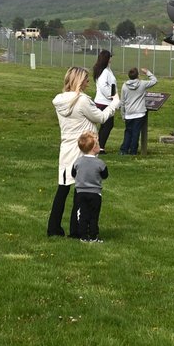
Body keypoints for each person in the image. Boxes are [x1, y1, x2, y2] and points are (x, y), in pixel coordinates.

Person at [48, 66, 119, 237]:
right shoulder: (82, 101)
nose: (88, 83)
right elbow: (100, 117)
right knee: (82, 190)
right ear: (80, 81)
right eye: (86, 80)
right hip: (82, 148)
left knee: (63, 188)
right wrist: (115, 102)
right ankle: (76, 230)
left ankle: (53, 228)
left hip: (66, 148)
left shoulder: (60, 100)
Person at [71, 131, 108, 242]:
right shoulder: (100, 163)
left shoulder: (78, 162)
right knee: (93, 215)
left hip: (80, 193)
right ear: (94, 148)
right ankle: (93, 236)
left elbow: (73, 174)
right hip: (95, 193)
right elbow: (105, 175)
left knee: (83, 214)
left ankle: (83, 236)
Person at [118, 67, 157, 155]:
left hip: (129, 113)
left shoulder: (125, 85)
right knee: (136, 132)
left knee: (128, 132)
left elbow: (123, 101)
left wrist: (123, 114)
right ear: (138, 76)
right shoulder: (142, 84)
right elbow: (154, 81)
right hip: (139, 113)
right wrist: (147, 72)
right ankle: (133, 150)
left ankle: (124, 150)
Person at [91, 50, 118, 154]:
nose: (111, 59)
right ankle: (100, 147)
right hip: (104, 102)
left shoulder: (107, 70)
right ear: (107, 58)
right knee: (107, 125)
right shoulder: (104, 72)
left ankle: (98, 145)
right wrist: (111, 96)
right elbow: (103, 86)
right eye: (110, 57)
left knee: (106, 125)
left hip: (106, 102)